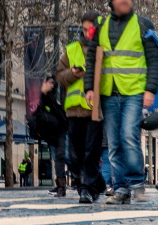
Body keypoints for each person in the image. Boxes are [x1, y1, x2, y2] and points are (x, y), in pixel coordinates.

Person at [84, 0, 158, 205]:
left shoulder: (143, 25)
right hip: (109, 92)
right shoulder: (101, 27)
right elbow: (92, 59)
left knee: (128, 135)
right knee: (113, 142)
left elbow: (155, 59)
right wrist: (89, 88)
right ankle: (120, 188)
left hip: (134, 91)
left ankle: (137, 183)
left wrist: (150, 90)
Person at [58, 11, 106, 203]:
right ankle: (98, 184)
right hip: (73, 110)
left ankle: (86, 188)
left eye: (91, 29)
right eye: (84, 29)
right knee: (74, 155)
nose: (87, 33)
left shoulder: (105, 48)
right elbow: (59, 77)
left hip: (95, 110)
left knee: (91, 152)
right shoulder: (71, 49)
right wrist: (73, 73)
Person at [34, 77, 69, 196]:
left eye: (52, 83)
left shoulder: (54, 94)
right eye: (49, 83)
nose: (51, 85)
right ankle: (61, 186)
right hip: (52, 132)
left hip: (61, 129)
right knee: (58, 157)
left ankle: (77, 182)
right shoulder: (41, 97)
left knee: (65, 156)